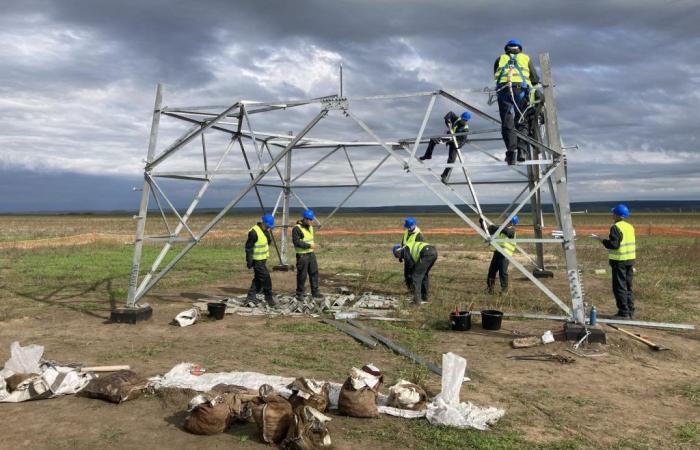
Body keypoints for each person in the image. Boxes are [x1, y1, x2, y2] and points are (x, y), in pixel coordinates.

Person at [494, 39, 540, 165]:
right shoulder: (525, 58)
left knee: (507, 122)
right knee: (522, 120)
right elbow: (535, 78)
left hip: (504, 92)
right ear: (519, 49)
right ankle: (522, 151)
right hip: (520, 91)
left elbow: (496, 76)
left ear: (506, 49)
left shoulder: (500, 59)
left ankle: (511, 153)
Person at [592, 204, 636, 318]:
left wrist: (601, 240)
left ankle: (623, 312)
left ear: (617, 215)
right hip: (630, 260)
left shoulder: (615, 227)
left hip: (619, 261)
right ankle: (630, 310)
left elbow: (614, 245)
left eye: (613, 213)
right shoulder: (629, 226)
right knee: (628, 286)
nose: (612, 214)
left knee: (619, 287)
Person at [419, 111, 471, 183]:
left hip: (455, 142)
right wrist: (447, 119)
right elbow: (450, 113)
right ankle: (428, 155)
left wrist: (459, 145)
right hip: (448, 136)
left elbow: (463, 140)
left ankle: (444, 175)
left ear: (467, 120)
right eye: (462, 119)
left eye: (464, 120)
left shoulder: (465, 129)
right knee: (433, 140)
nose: (463, 120)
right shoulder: (457, 119)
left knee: (451, 160)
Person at [245, 213, 276, 306]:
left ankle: (251, 297)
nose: (269, 228)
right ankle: (268, 297)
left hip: (263, 259)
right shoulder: (254, 232)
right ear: (264, 223)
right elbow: (248, 248)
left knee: (258, 279)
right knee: (266, 278)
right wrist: (249, 261)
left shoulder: (265, 231)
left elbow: (267, 242)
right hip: (257, 260)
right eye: (268, 226)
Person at [481, 215, 518, 294]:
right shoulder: (500, 229)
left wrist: (495, 228)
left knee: (503, 273)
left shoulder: (512, 230)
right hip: (497, 253)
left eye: (508, 220)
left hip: (505, 255)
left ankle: (504, 290)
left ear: (512, 222)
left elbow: (507, 232)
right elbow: (487, 231)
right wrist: (482, 223)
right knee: (491, 272)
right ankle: (490, 288)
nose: (505, 221)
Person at [392, 240, 438, 304]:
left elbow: (410, 267)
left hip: (426, 253)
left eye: (396, 256)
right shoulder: (407, 249)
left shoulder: (405, 250)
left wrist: (410, 279)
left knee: (416, 277)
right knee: (424, 275)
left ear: (397, 251)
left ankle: (417, 301)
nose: (399, 258)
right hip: (433, 252)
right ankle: (424, 297)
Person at [293, 209, 322, 300]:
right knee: (302, 275)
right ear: (304, 219)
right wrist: (309, 245)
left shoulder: (310, 227)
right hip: (302, 255)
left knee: (314, 273)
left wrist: (311, 247)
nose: (310, 221)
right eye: (309, 219)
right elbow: (296, 242)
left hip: (311, 254)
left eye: (311, 219)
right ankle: (300, 293)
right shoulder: (297, 228)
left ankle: (315, 292)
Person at [400, 217, 424, 293]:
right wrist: (401, 255)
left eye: (409, 226)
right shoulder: (406, 231)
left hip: (414, 258)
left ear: (414, 225)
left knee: (413, 275)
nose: (408, 228)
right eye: (407, 227)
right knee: (406, 275)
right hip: (407, 257)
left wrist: (418, 260)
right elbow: (403, 243)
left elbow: (420, 247)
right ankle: (410, 290)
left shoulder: (418, 234)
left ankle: (415, 291)